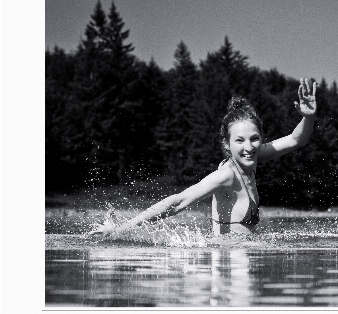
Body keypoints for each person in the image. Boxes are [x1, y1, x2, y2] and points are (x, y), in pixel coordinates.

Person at [87, 77, 317, 238]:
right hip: (229, 267)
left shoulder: (253, 158)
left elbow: (296, 140)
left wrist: (308, 117)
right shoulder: (227, 175)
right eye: (239, 141)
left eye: (254, 139)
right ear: (226, 144)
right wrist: (121, 230)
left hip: (241, 260)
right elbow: (178, 201)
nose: (249, 147)